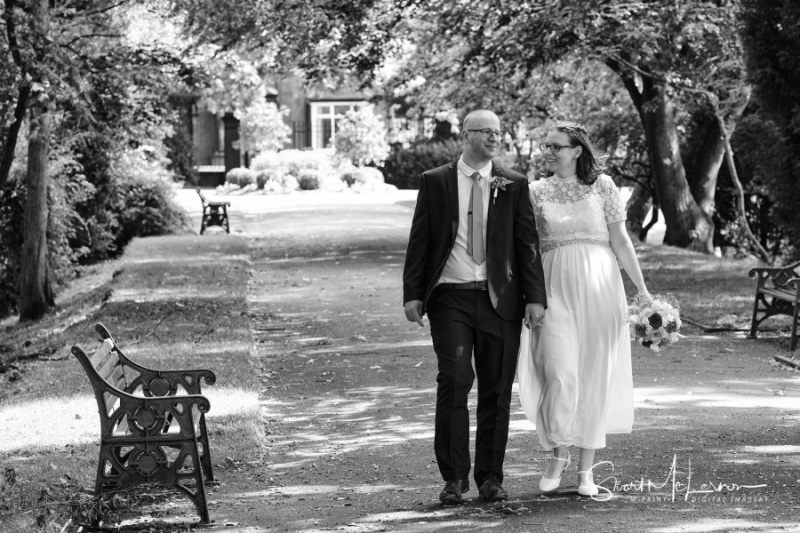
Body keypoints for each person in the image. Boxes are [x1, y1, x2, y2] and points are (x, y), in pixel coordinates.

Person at [403, 109, 547, 504]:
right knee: (454, 380)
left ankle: (489, 478)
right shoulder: (435, 182)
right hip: (451, 297)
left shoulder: (514, 184)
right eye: (486, 132)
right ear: (466, 136)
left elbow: (527, 245)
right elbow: (421, 240)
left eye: (498, 132)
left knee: (497, 390)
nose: (494, 138)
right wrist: (412, 292)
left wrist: (536, 297)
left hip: (502, 301)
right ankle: (453, 479)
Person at [517, 121, 648, 497]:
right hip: (553, 287)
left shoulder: (603, 186)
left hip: (601, 289)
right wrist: (530, 295)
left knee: (594, 375)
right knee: (557, 371)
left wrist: (642, 292)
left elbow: (621, 241)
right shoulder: (535, 191)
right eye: (547, 146)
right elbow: (526, 247)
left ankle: (586, 470)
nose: (549, 151)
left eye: (557, 146)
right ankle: (558, 453)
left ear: (577, 150)